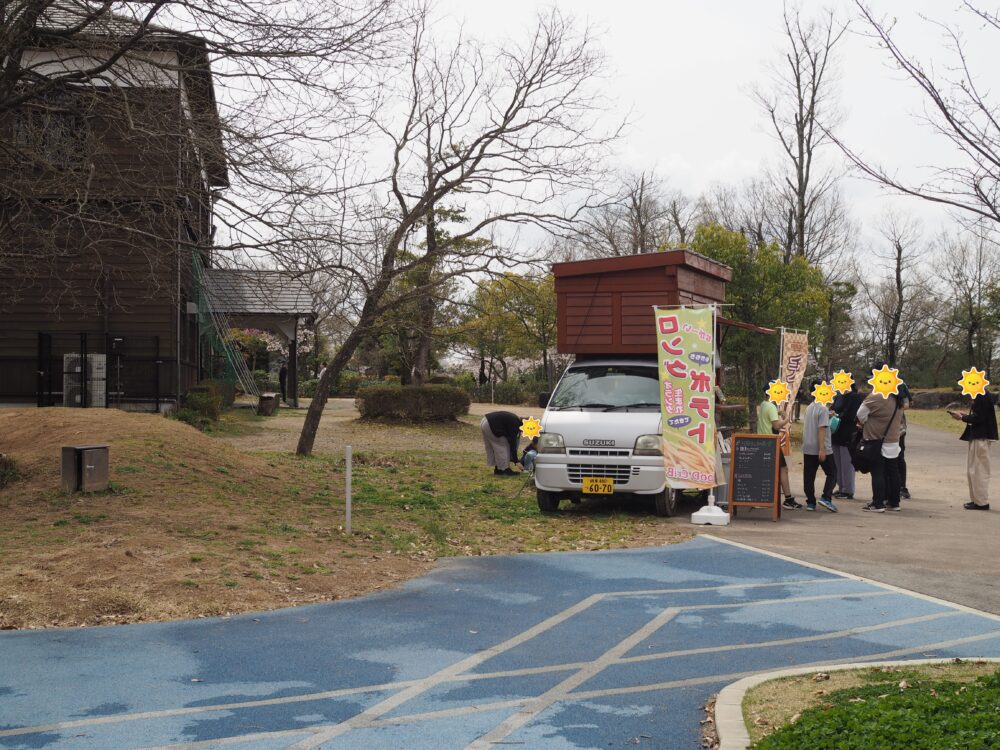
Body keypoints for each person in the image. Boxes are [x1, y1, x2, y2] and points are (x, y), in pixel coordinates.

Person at [857, 387, 905, 513]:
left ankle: (878, 503)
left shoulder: (876, 396)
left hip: (876, 440)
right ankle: (894, 502)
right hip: (893, 441)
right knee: (893, 472)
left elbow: (860, 414)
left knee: (877, 472)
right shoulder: (897, 397)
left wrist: (866, 422)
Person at [948, 389, 998, 511]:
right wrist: (965, 416)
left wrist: (962, 418)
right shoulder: (980, 394)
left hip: (981, 437)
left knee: (979, 470)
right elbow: (979, 415)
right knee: (974, 470)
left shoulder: (981, 394)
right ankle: (977, 500)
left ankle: (981, 502)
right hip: (978, 436)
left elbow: (979, 418)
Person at [756, 396, 801, 509]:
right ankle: (788, 499)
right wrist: (787, 419)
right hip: (771, 443)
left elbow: (769, 421)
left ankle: (762, 498)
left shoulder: (763, 404)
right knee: (783, 469)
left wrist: (778, 413)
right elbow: (776, 425)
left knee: (768, 471)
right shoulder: (771, 406)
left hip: (763, 442)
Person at [802, 380, 838, 512]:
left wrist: (828, 414)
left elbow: (815, 421)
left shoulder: (809, 407)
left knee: (809, 477)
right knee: (833, 473)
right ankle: (826, 497)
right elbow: (822, 428)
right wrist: (822, 449)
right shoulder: (823, 408)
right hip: (822, 448)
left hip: (808, 447)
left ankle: (810, 502)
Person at [831, 382, 863, 500]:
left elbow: (853, 415)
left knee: (847, 463)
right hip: (836, 433)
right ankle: (841, 487)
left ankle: (848, 490)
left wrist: (838, 415)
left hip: (848, 434)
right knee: (837, 463)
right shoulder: (838, 396)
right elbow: (832, 408)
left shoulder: (855, 397)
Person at [481, 410, 523, 476]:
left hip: (485, 420)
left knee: (495, 447)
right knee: (503, 446)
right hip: (490, 424)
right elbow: (512, 443)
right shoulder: (515, 424)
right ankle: (504, 470)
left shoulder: (516, 419)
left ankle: (498, 469)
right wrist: (516, 461)